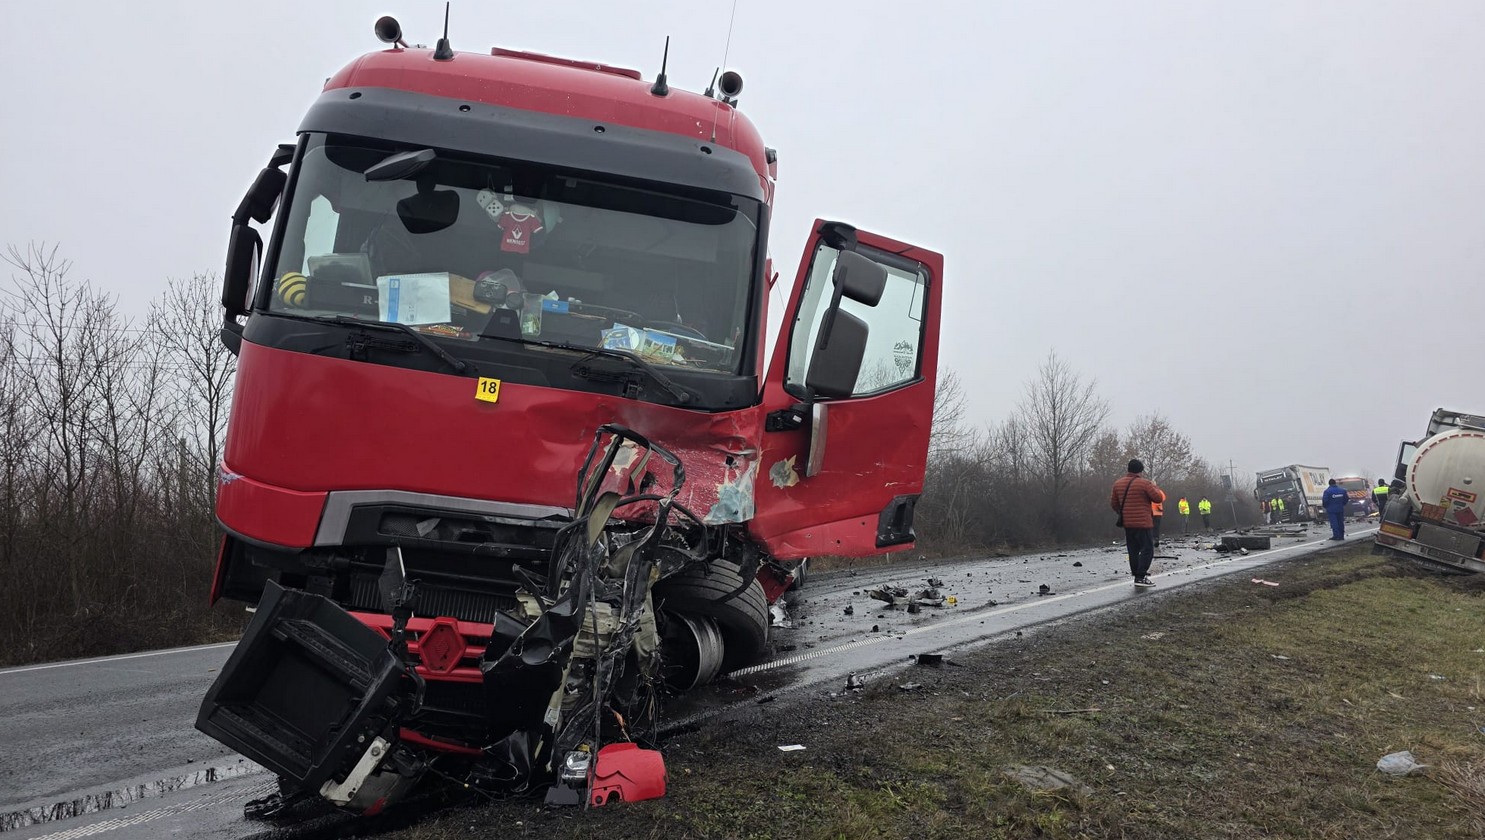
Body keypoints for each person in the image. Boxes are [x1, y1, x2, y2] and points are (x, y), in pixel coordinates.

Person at [1111, 459, 1165, 588]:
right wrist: (1155, 486)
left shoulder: (1118, 484)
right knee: (1148, 549)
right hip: (1143, 523)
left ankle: (1136, 575)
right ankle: (1141, 576)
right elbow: (1158, 498)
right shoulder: (1145, 484)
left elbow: (1113, 503)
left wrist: (1124, 513)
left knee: (1133, 550)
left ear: (1128, 469)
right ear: (1141, 470)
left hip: (1128, 523)